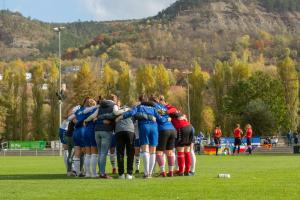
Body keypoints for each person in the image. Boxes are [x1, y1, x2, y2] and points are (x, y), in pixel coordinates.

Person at [117, 94, 164, 179]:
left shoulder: (139, 107)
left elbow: (131, 113)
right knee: (153, 151)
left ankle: (146, 173)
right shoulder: (154, 108)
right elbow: (160, 118)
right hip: (154, 128)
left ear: (140, 100)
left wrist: (122, 116)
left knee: (145, 149)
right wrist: (167, 119)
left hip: (144, 127)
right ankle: (150, 173)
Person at [86, 94, 118, 179]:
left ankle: (101, 172)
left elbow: (93, 116)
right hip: (106, 131)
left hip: (97, 131)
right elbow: (116, 114)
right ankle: (102, 173)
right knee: (103, 153)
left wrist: (86, 120)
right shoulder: (114, 106)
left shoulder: (100, 106)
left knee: (100, 153)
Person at [152, 95, 176, 177]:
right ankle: (171, 172)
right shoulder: (163, 107)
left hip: (163, 130)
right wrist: (168, 118)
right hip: (172, 130)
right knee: (170, 152)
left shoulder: (154, 107)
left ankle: (163, 172)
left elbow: (158, 117)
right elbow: (169, 116)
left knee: (159, 152)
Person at [166, 104, 194, 176]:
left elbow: (171, 110)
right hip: (190, 127)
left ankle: (181, 171)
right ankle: (187, 171)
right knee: (187, 151)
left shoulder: (171, 110)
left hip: (182, 128)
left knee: (180, 151)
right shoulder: (179, 112)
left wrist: (165, 112)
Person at [114, 102, 135, 179]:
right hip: (130, 131)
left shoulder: (117, 112)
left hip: (119, 131)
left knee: (120, 153)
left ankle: (121, 174)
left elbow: (110, 116)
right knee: (130, 153)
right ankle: (129, 174)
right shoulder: (131, 111)